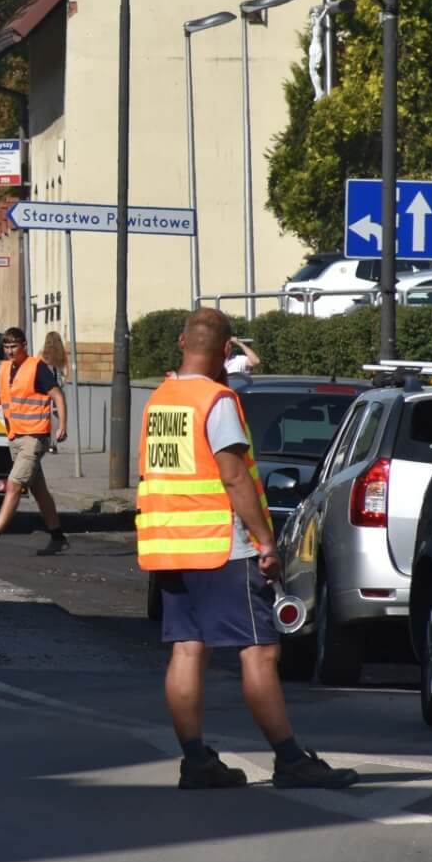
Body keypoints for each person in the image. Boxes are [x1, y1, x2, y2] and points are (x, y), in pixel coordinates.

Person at [138, 308, 357, 790]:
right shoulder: (215, 401)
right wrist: (265, 542)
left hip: (170, 545)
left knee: (186, 649)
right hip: (220, 546)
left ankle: (196, 760)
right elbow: (234, 477)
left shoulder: (161, 400)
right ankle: (289, 760)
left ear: (180, 342)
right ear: (224, 351)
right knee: (259, 653)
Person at [0, 328, 69, 557]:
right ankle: (58, 537)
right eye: (6, 347)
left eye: (14, 347)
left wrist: (63, 425)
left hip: (34, 438)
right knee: (40, 491)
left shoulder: (36, 367)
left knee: (14, 485)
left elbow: (57, 395)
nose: (9, 352)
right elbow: (0, 394)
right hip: (15, 437)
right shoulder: (4, 368)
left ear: (24, 345)